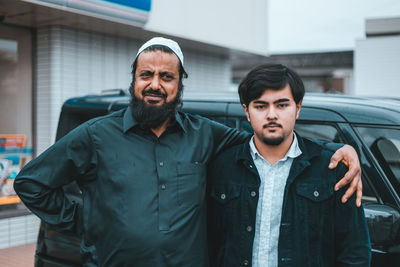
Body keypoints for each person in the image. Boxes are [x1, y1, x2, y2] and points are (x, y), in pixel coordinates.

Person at [14, 38, 361, 266]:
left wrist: (341, 150)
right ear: (134, 80)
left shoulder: (205, 134)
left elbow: (268, 136)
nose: (155, 84)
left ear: (179, 85)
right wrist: (84, 222)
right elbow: (30, 183)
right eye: (146, 74)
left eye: (167, 77)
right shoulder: (95, 135)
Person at [207, 64, 371, 267]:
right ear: (246, 112)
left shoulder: (332, 168)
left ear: (298, 108)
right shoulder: (222, 167)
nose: (272, 115)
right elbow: (209, 245)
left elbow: (355, 252)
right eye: (260, 106)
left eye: (282, 105)